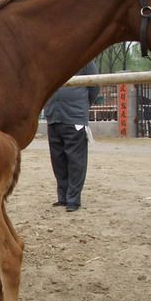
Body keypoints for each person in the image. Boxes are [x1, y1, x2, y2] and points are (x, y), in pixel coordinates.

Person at [43, 61, 100, 212]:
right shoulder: (50, 59)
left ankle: (73, 199)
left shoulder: (85, 59)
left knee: (76, 161)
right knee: (58, 160)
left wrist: (82, 106)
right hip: (53, 117)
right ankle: (62, 197)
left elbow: (95, 85)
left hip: (75, 117)